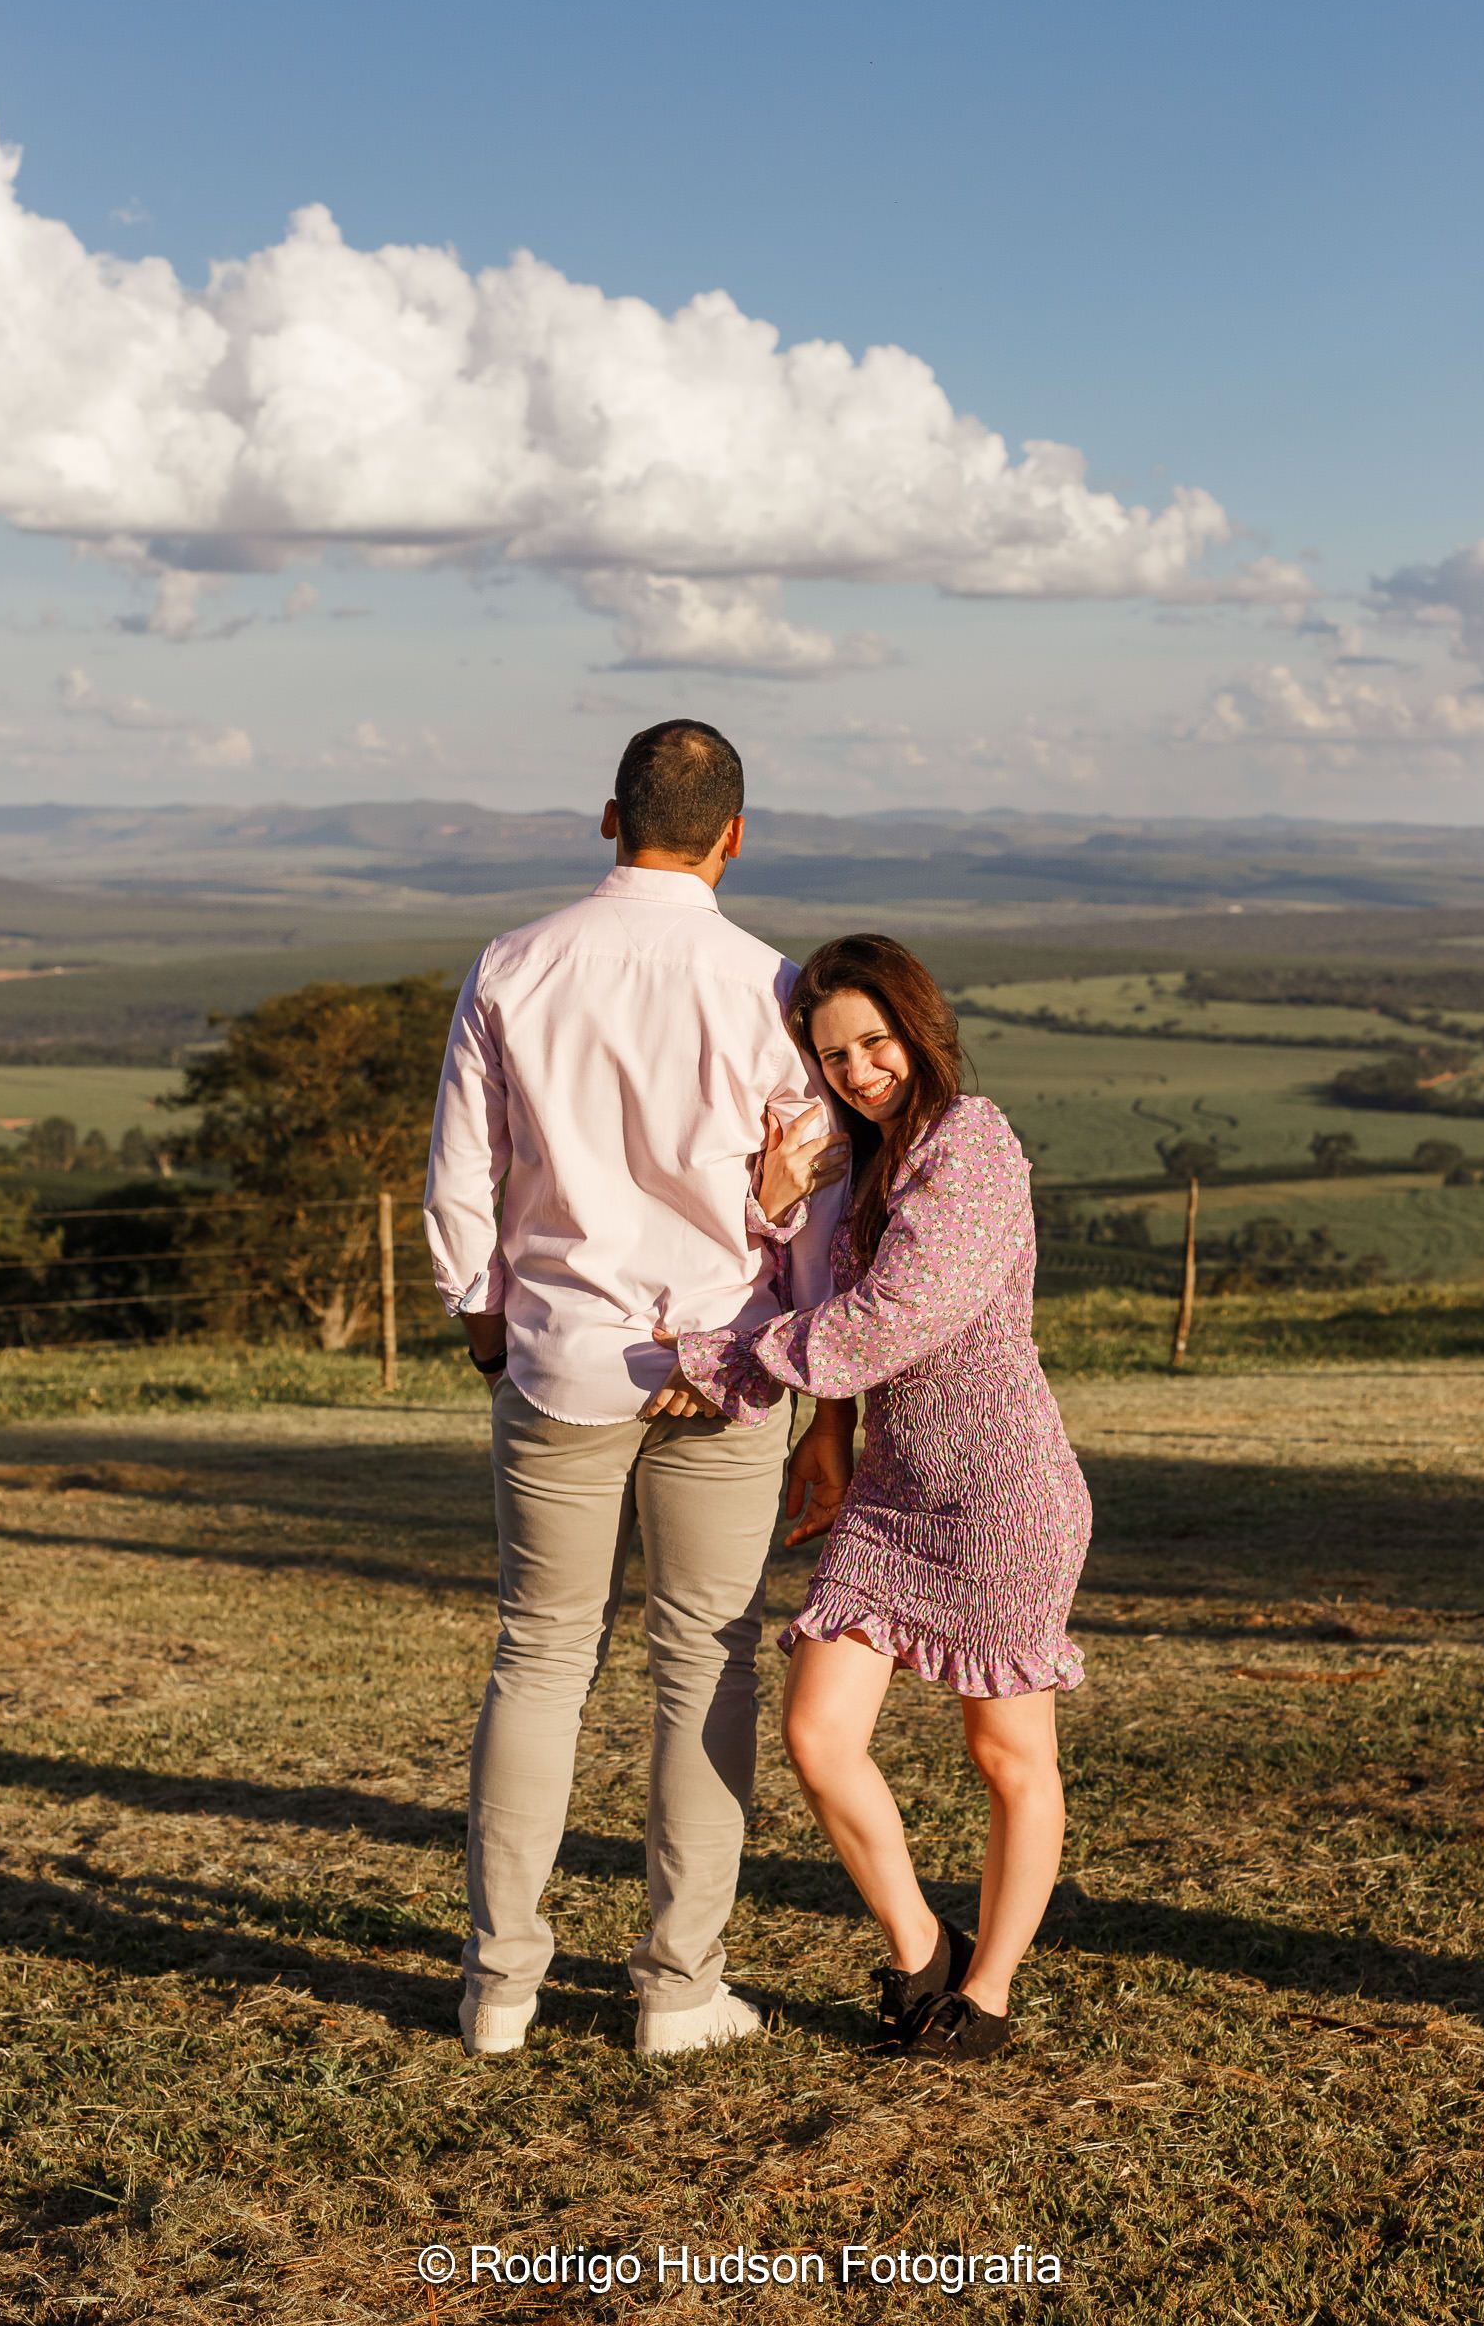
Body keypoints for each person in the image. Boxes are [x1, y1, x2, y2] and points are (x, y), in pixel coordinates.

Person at [424, 720, 853, 2061]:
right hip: (726, 1365)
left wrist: (486, 1324)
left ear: (607, 819)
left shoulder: (514, 964)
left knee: (540, 1658)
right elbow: (814, 1204)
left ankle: (501, 1988)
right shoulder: (776, 986)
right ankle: (678, 1987)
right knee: (705, 1666)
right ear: (737, 834)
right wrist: (775, 1336)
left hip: (559, 1357)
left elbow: (461, 1178)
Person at [649, 934, 1092, 2065]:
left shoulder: (974, 1143)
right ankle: (917, 1950)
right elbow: (824, 1295)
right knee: (816, 1730)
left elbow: (892, 1318)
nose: (854, 1069)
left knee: (1007, 1757)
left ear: (918, 1029)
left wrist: (728, 1365)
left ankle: (984, 1997)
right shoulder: (867, 1160)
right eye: (830, 1052)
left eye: (872, 1041)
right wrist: (779, 1202)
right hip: (892, 1493)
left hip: (1002, 1494)